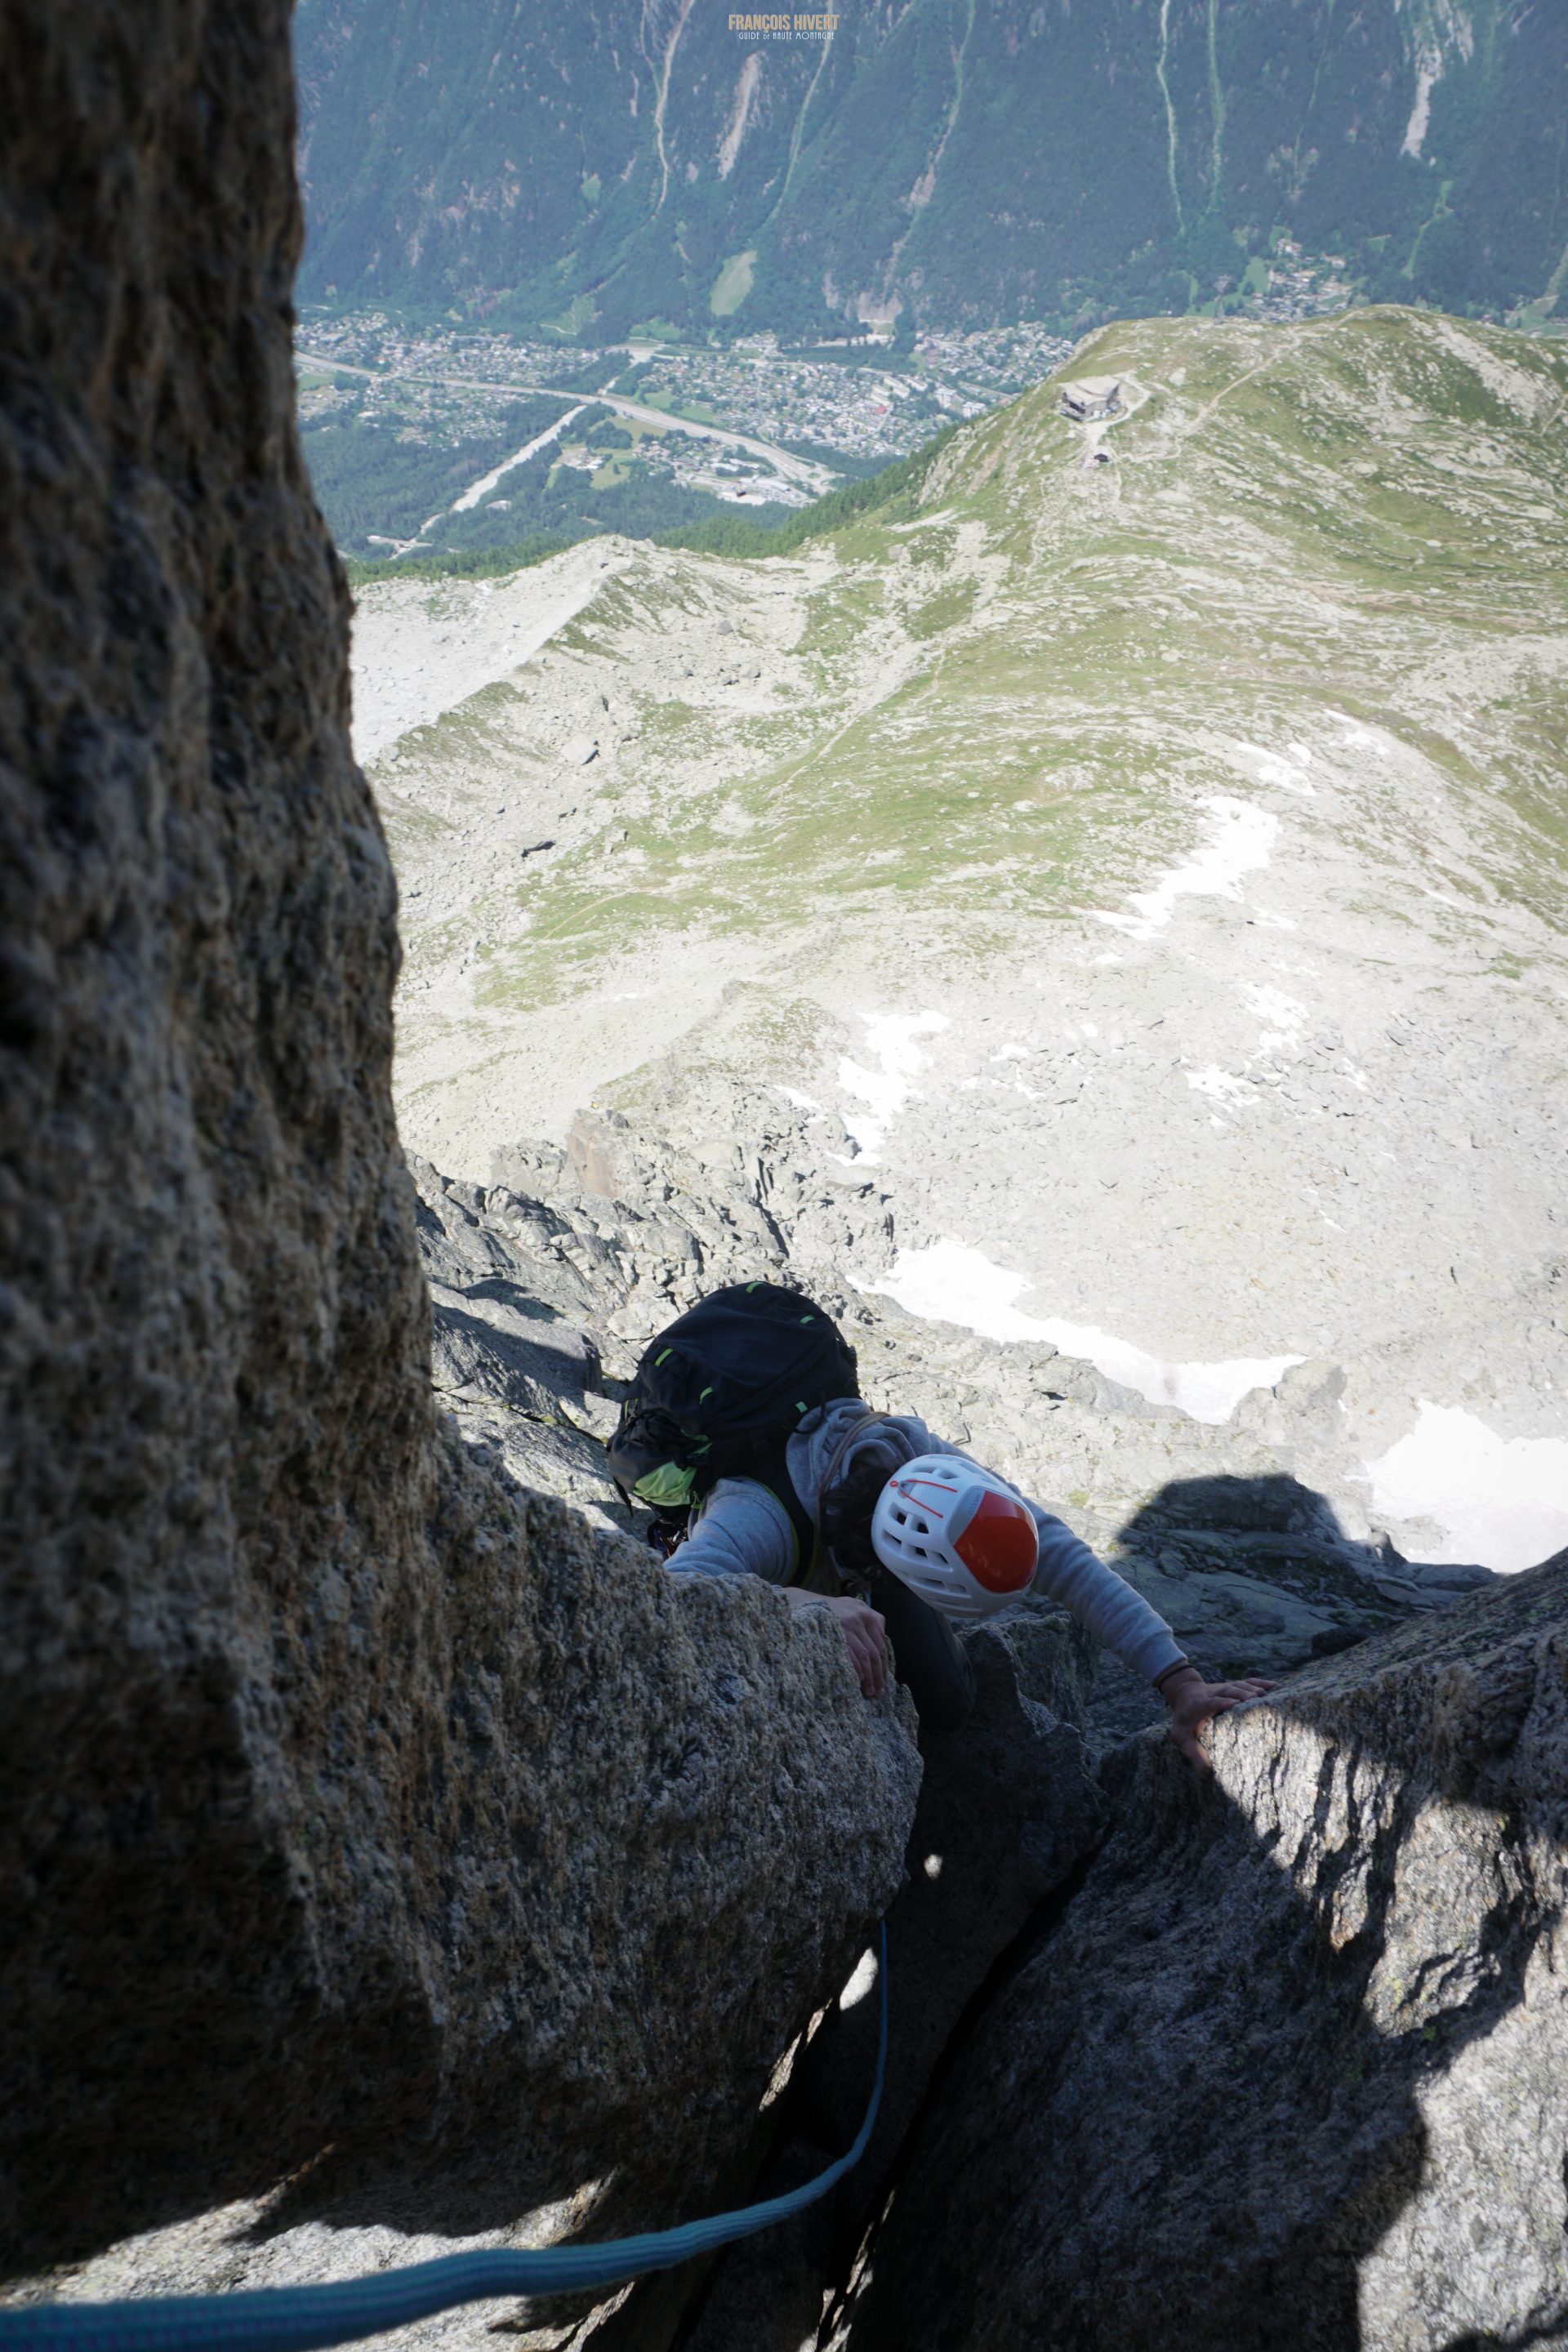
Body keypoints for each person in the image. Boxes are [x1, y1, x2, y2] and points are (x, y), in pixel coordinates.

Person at [612, 1286, 1273, 1768]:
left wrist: (1183, 1685)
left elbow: (1064, 1559)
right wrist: (800, 1604)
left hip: (853, 1556)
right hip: (776, 1572)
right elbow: (672, 1599)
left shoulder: (927, 1460)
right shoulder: (759, 1520)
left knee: (945, 1706)